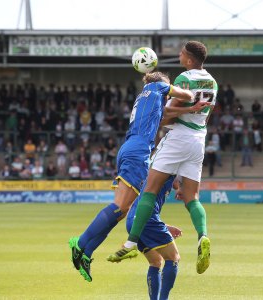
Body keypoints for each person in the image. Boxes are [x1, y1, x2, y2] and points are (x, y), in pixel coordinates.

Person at [68, 71, 206, 282]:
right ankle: (81, 242)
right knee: (123, 205)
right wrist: (191, 96)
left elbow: (164, 117)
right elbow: (183, 95)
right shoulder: (155, 87)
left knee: (122, 210)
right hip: (139, 152)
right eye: (167, 92)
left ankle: (86, 252)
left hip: (131, 148)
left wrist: (188, 110)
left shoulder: (145, 99)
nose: (168, 97)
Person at [110, 41, 217, 275]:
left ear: (189, 60)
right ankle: (203, 236)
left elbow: (166, 112)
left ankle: (130, 243)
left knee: (149, 189)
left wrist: (168, 115)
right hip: (199, 140)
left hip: (178, 136)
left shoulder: (183, 79)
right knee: (192, 197)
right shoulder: (212, 82)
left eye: (181, 53)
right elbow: (205, 116)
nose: (178, 56)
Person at [108, 175, 182, 300]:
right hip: (148, 220)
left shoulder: (155, 172)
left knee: (156, 262)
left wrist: (165, 226)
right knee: (173, 258)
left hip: (133, 221)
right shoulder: (168, 169)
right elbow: (178, 183)